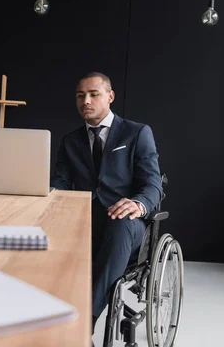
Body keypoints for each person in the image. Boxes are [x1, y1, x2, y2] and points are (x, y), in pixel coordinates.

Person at [51, 72, 162, 332]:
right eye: (80, 96)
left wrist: (138, 204)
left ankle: (86, 320)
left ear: (110, 96)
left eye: (93, 94)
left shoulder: (136, 133)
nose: (85, 101)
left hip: (127, 226)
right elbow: (62, 184)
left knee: (120, 222)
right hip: (85, 222)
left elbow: (152, 184)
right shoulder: (70, 141)